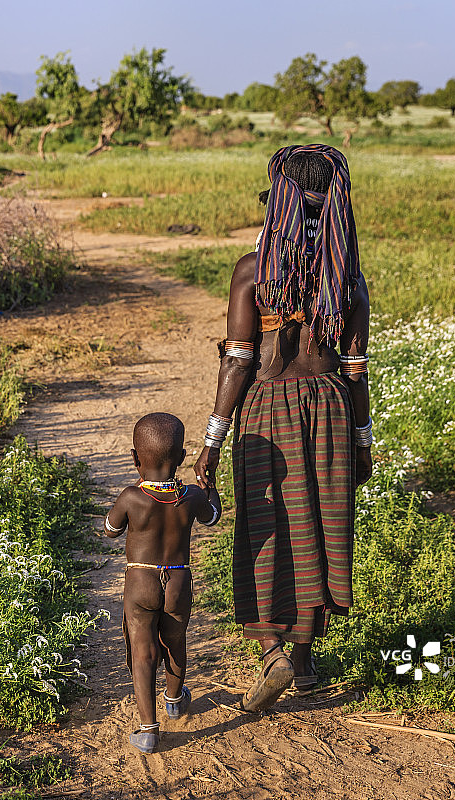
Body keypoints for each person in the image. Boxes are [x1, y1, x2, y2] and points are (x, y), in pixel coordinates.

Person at [193, 144, 372, 713]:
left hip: (269, 411)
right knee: (318, 525)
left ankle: (274, 652)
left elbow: (238, 360)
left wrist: (212, 440)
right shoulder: (349, 278)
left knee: (267, 527)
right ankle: (304, 656)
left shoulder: (254, 272)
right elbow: (356, 370)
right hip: (332, 410)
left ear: (279, 205)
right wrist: (363, 442)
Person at [105, 412, 222, 753]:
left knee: (143, 652)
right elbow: (213, 517)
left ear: (135, 458)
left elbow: (110, 529)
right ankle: (174, 699)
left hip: (140, 580)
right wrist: (209, 486)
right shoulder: (191, 496)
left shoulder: (131, 497)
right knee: (175, 640)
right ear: (182, 458)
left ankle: (148, 731)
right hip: (178, 580)